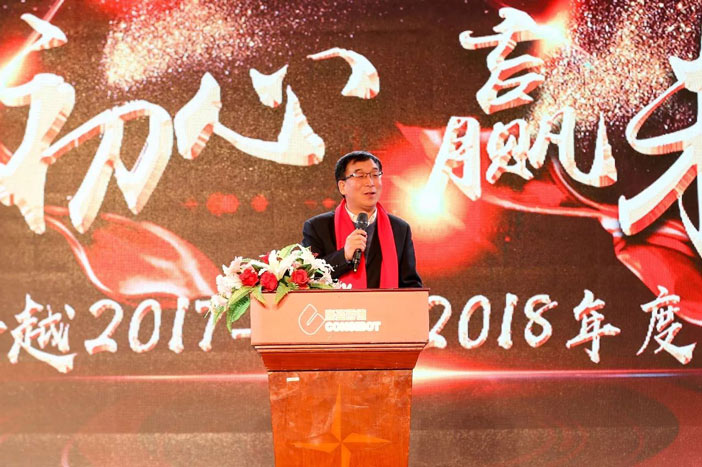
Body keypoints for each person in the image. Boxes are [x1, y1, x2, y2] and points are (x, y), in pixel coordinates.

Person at [302, 150, 423, 288]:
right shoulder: (318, 227)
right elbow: (308, 278)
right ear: (342, 187)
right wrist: (343, 256)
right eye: (360, 176)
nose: (370, 182)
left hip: (384, 303)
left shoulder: (399, 228)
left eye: (375, 175)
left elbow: (410, 285)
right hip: (338, 303)